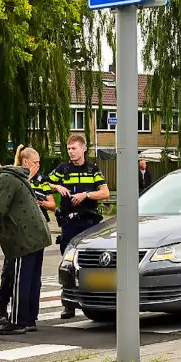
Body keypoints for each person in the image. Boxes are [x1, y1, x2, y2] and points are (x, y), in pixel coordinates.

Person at [0, 149, 51, 335]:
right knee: (31, 280)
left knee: (20, 280)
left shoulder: (3, 179)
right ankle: (30, 319)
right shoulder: (12, 175)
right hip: (37, 235)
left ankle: (17, 322)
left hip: (24, 238)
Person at [47, 134, 111, 319]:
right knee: (68, 264)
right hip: (69, 222)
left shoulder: (92, 169)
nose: (71, 152)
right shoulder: (63, 169)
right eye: (69, 149)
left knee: (92, 263)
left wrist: (86, 195)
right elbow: (44, 182)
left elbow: (105, 193)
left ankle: (97, 301)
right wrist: (56, 187)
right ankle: (68, 304)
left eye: (74, 148)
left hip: (88, 222)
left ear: (83, 149)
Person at [12, 145, 56, 332]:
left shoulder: (40, 179)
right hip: (23, 230)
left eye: (39, 163)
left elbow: (52, 203)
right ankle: (20, 317)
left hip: (38, 229)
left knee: (32, 276)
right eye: (35, 163)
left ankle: (29, 318)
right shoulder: (17, 177)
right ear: (25, 162)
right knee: (22, 275)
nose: (38, 166)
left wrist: (44, 203)